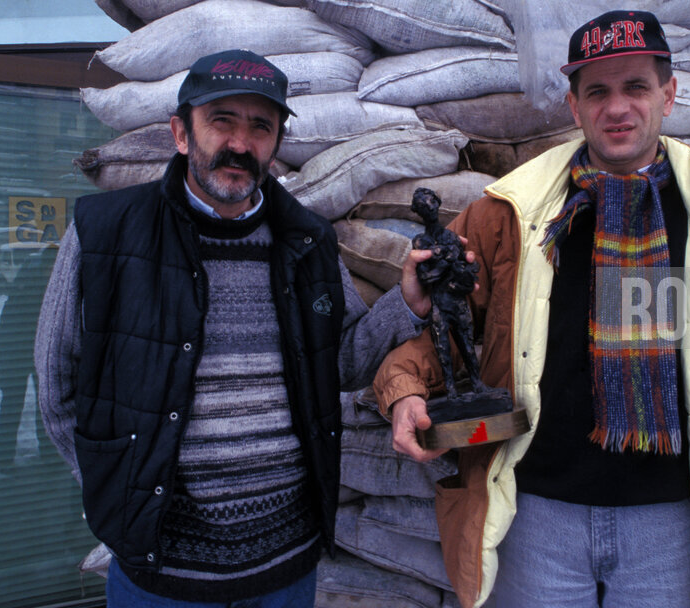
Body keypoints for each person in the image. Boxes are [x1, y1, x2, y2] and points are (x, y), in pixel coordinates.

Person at [374, 10, 690, 608]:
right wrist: (405, 389)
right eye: (597, 91)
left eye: (636, 87)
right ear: (575, 107)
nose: (617, 107)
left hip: (674, 527)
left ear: (668, 96)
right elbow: (455, 331)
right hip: (535, 517)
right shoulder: (507, 218)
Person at [35, 49, 433, 607]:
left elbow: (339, 362)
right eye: (222, 121)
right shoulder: (105, 233)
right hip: (163, 574)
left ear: (276, 143)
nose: (241, 144)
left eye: (261, 127)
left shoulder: (306, 241)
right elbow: (57, 385)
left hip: (285, 568)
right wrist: (113, 488)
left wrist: (407, 301)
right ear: (181, 132)